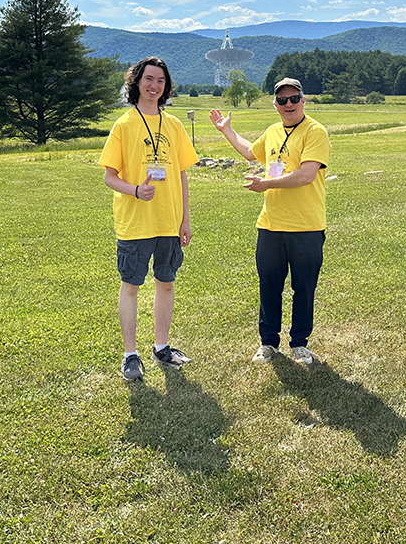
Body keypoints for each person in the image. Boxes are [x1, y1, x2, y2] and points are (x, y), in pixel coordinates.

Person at [209, 77, 331, 365]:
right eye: (282, 100)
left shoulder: (315, 132)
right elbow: (251, 152)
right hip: (271, 225)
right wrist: (227, 130)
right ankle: (268, 343)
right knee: (269, 285)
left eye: (293, 98)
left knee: (303, 287)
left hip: (306, 226)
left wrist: (266, 185)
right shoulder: (274, 131)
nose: (288, 104)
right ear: (275, 104)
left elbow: (306, 175)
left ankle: (299, 343)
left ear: (304, 100)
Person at [100, 57, 198, 381]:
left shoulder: (174, 126)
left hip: (169, 222)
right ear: (137, 82)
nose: (154, 86)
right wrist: (134, 190)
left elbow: (182, 175)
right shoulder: (125, 124)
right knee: (131, 286)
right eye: (149, 79)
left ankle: (162, 347)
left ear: (166, 87)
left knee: (166, 284)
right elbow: (109, 177)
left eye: (160, 81)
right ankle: (131, 356)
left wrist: (184, 219)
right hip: (135, 222)